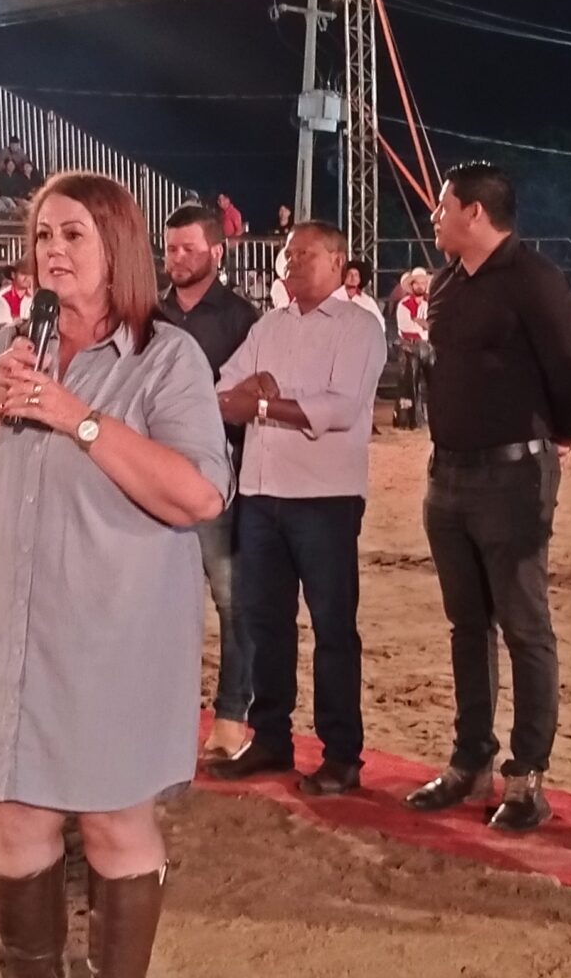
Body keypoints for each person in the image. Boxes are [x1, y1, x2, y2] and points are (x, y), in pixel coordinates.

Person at [0, 171, 229, 978]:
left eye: (73, 235)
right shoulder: (2, 353)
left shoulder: (166, 358)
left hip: (113, 639)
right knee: (12, 817)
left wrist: (77, 418)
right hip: (12, 634)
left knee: (114, 822)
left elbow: (199, 493)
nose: (53, 250)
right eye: (43, 236)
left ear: (117, 246)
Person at [406, 161, 571, 832]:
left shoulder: (534, 279)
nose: (434, 217)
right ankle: (470, 762)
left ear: (475, 213)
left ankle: (527, 776)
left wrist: (562, 434)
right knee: (467, 626)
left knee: (524, 626)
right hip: (448, 478)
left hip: (513, 479)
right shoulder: (447, 283)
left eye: (443, 207)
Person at [205, 221, 389, 795]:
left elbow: (339, 408)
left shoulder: (360, 327)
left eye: (305, 254)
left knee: (333, 628)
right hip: (262, 494)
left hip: (325, 498)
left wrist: (262, 402)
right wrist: (262, 400)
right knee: (267, 623)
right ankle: (271, 738)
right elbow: (221, 393)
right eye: (288, 254)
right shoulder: (269, 325)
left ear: (338, 261)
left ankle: (341, 754)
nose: (291, 263)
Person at [156, 203, 263, 765]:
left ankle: (230, 715)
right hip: (151, 477)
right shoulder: (147, 314)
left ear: (217, 252)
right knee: (155, 599)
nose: (176, 258)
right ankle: (161, 711)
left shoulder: (244, 320)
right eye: (170, 249)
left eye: (188, 249)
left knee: (230, 597)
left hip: (216, 480)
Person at [393, 267, 433, 429]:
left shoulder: (428, 304)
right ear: (412, 285)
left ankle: (420, 417)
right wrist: (424, 327)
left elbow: (432, 325)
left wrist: (419, 323)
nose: (421, 286)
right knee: (409, 384)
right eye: (418, 283)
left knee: (428, 383)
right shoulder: (404, 304)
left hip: (423, 346)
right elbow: (406, 327)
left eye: (423, 283)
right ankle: (408, 419)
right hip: (408, 347)